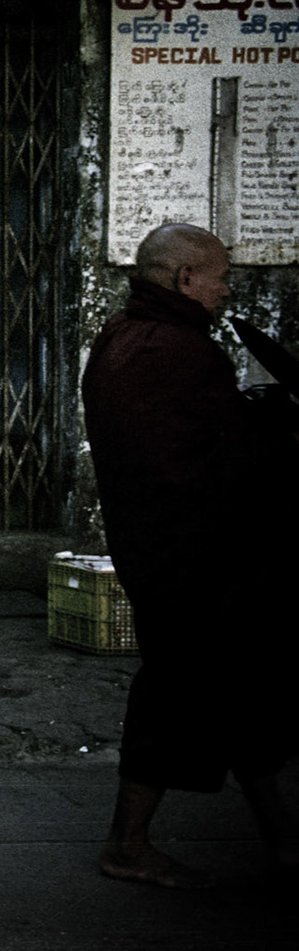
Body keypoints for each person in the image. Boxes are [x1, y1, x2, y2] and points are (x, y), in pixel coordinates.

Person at [82, 222, 296, 888]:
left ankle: (284, 845)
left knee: (239, 696)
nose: (228, 290)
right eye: (221, 277)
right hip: (195, 557)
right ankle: (127, 842)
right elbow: (214, 461)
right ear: (185, 279)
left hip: (158, 549)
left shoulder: (120, 335)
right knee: (186, 691)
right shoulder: (177, 351)